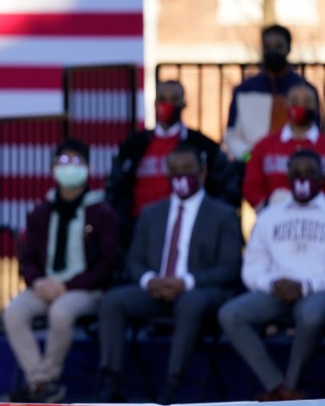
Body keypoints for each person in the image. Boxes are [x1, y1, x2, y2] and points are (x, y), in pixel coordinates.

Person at [96, 142, 243, 405]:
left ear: (203, 172)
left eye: (187, 168)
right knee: (111, 302)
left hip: (199, 292)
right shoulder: (151, 213)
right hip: (156, 290)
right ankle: (111, 382)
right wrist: (149, 280)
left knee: (191, 302)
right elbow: (135, 260)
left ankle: (173, 386)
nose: (180, 175)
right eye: (174, 169)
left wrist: (185, 282)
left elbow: (230, 268)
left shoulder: (224, 214)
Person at [3, 139, 119, 403]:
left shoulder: (101, 212)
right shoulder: (41, 212)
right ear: (53, 168)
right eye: (63, 162)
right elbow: (28, 258)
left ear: (88, 168)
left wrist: (69, 286)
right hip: (46, 285)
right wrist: (37, 281)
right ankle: (40, 380)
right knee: (14, 312)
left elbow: (108, 261)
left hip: (85, 289)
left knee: (61, 312)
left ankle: (49, 377)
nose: (68, 168)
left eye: (75, 162)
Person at [218, 149, 325, 401]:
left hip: (317, 291)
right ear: (286, 176)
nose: (302, 178)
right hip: (276, 291)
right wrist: (273, 283)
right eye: (296, 173)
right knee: (231, 314)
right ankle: (277, 386)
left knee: (312, 316)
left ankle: (291, 384)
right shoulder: (269, 216)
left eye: (310, 173)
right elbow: (252, 266)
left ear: (321, 176)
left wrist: (306, 286)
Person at [106, 80, 239, 250]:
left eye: (174, 99)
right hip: (140, 229)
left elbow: (227, 185)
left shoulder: (203, 146)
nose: (167, 104)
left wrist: (210, 220)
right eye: (163, 98)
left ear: (183, 104)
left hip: (191, 229)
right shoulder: (133, 147)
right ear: (155, 104)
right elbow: (115, 188)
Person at [223, 24, 317, 162]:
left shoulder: (304, 90)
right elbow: (231, 135)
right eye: (268, 47)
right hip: (252, 165)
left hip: (294, 166)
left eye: (279, 47)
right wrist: (249, 157)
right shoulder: (244, 90)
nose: (273, 52)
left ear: (288, 48)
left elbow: (314, 131)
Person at [243, 83, 325, 211]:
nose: (301, 106)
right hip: (276, 220)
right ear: (286, 105)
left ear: (316, 106)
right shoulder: (264, 146)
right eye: (294, 101)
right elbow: (251, 186)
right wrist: (268, 209)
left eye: (307, 101)